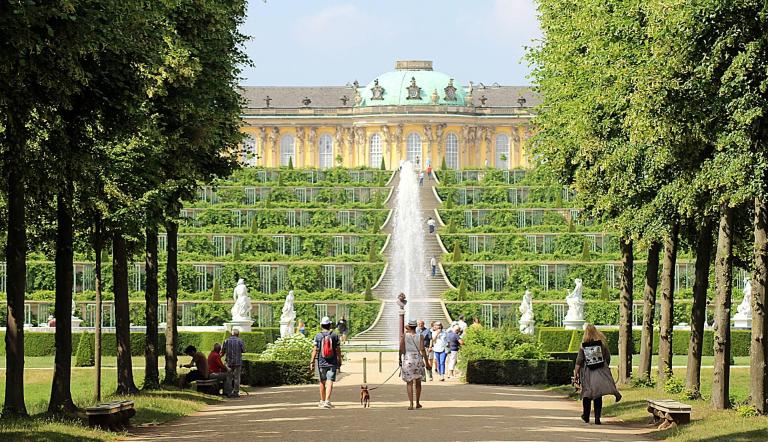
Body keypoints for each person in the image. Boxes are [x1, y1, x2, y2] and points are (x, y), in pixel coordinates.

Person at [574, 324, 622, 425]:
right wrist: (604, 367)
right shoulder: (602, 344)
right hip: (600, 370)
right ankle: (597, 418)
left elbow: (579, 361)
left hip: (587, 372)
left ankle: (586, 416)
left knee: (587, 393)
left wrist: (576, 374)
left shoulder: (583, 346)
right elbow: (607, 357)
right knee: (598, 394)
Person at [310, 316, 342, 409]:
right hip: (332, 362)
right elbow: (338, 349)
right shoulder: (334, 335)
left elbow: (315, 349)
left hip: (321, 361)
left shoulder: (318, 336)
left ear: (321, 325)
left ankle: (322, 401)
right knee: (330, 380)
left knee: (322, 381)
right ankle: (327, 401)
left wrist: (311, 361)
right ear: (330, 325)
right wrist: (339, 359)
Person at [400, 319, 430, 410]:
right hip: (417, 359)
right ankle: (417, 402)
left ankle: (411, 404)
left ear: (409, 326)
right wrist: (427, 362)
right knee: (418, 382)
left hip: (408, 358)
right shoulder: (420, 336)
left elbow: (401, 348)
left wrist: (399, 359)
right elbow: (422, 349)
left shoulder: (405, 336)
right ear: (416, 326)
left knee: (409, 382)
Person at [222, 329, 246, 397]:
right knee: (237, 378)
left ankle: (229, 392)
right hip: (237, 362)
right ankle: (236, 392)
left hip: (229, 362)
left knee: (229, 378)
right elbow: (243, 350)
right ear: (238, 334)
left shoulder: (226, 341)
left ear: (231, 334)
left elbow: (223, 350)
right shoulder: (240, 341)